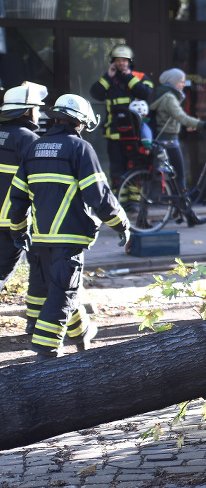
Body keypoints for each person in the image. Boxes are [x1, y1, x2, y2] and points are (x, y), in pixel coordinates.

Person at [8, 93, 131, 361]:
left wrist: (19, 231)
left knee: (62, 288)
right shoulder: (80, 149)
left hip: (41, 241)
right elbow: (98, 196)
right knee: (63, 293)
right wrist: (121, 223)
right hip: (70, 238)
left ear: (55, 118)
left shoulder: (34, 148)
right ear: (81, 123)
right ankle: (46, 352)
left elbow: (17, 198)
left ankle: (82, 332)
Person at [149, 68, 206, 227]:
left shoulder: (165, 95)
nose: (183, 84)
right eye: (181, 81)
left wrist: (185, 126)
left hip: (167, 139)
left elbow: (171, 119)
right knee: (180, 178)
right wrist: (204, 125)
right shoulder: (169, 97)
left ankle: (179, 211)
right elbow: (181, 117)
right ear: (172, 82)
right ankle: (190, 215)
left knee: (175, 178)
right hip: (169, 142)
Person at [0, 82, 46, 296]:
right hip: (10, 224)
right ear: (27, 111)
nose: (39, 113)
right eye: (37, 108)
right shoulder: (29, 140)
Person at [89, 44, 154, 189]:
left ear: (130, 61)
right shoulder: (109, 79)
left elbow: (146, 94)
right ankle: (120, 202)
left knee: (136, 167)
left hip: (135, 134)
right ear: (113, 62)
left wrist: (128, 77)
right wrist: (108, 76)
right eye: (118, 60)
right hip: (114, 134)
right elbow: (95, 93)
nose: (121, 63)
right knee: (117, 170)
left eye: (124, 60)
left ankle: (135, 203)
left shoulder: (140, 77)